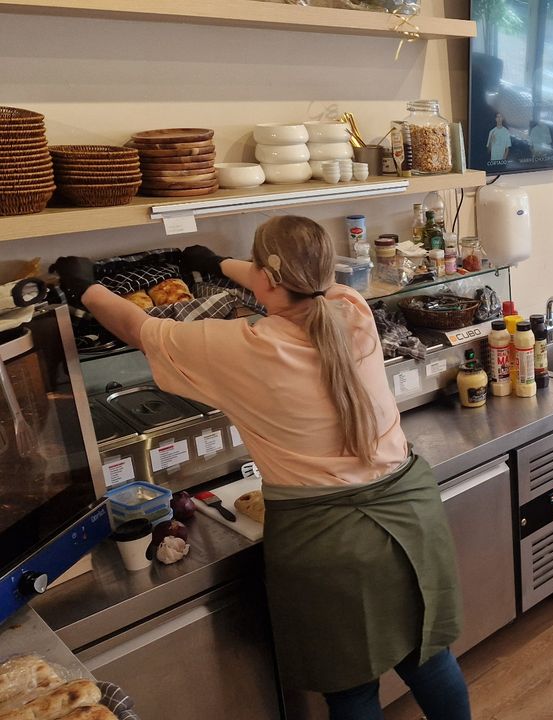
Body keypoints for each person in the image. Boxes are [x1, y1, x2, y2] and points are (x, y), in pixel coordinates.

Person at [51, 217, 470, 720]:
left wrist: (85, 287)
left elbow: (136, 328)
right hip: (412, 511)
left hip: (329, 538)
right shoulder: (350, 307)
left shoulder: (244, 345)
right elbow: (285, 280)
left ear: (265, 278)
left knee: (352, 688)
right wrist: (214, 263)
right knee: (429, 658)